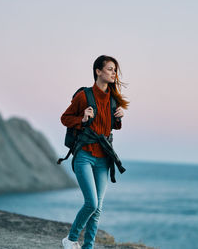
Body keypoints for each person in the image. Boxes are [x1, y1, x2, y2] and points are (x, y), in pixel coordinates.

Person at [60, 55, 129, 249]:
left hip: (103, 159)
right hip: (84, 155)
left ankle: (88, 247)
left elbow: (113, 127)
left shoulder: (114, 100)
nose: (113, 73)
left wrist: (120, 116)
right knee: (91, 203)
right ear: (98, 71)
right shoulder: (84, 96)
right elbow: (65, 118)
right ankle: (71, 239)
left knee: (97, 209)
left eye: (115, 70)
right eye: (109, 69)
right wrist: (82, 119)